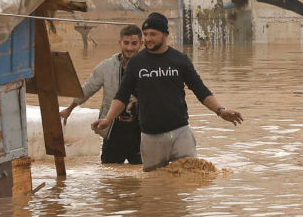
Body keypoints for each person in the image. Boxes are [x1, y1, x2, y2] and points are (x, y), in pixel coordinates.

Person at [92, 12, 243, 171]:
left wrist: (220, 110)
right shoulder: (136, 62)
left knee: (189, 178)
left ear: (165, 35)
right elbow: (122, 96)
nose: (148, 38)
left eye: (153, 34)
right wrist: (108, 119)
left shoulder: (180, 60)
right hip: (150, 136)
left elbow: (201, 90)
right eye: (146, 34)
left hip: (180, 132)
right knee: (154, 186)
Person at [61, 24, 144, 164]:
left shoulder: (148, 67)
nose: (130, 48)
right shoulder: (107, 66)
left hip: (141, 130)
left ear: (141, 44)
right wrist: (70, 109)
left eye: (134, 43)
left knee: (143, 175)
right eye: (126, 43)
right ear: (119, 43)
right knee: (109, 175)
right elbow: (87, 89)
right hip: (113, 129)